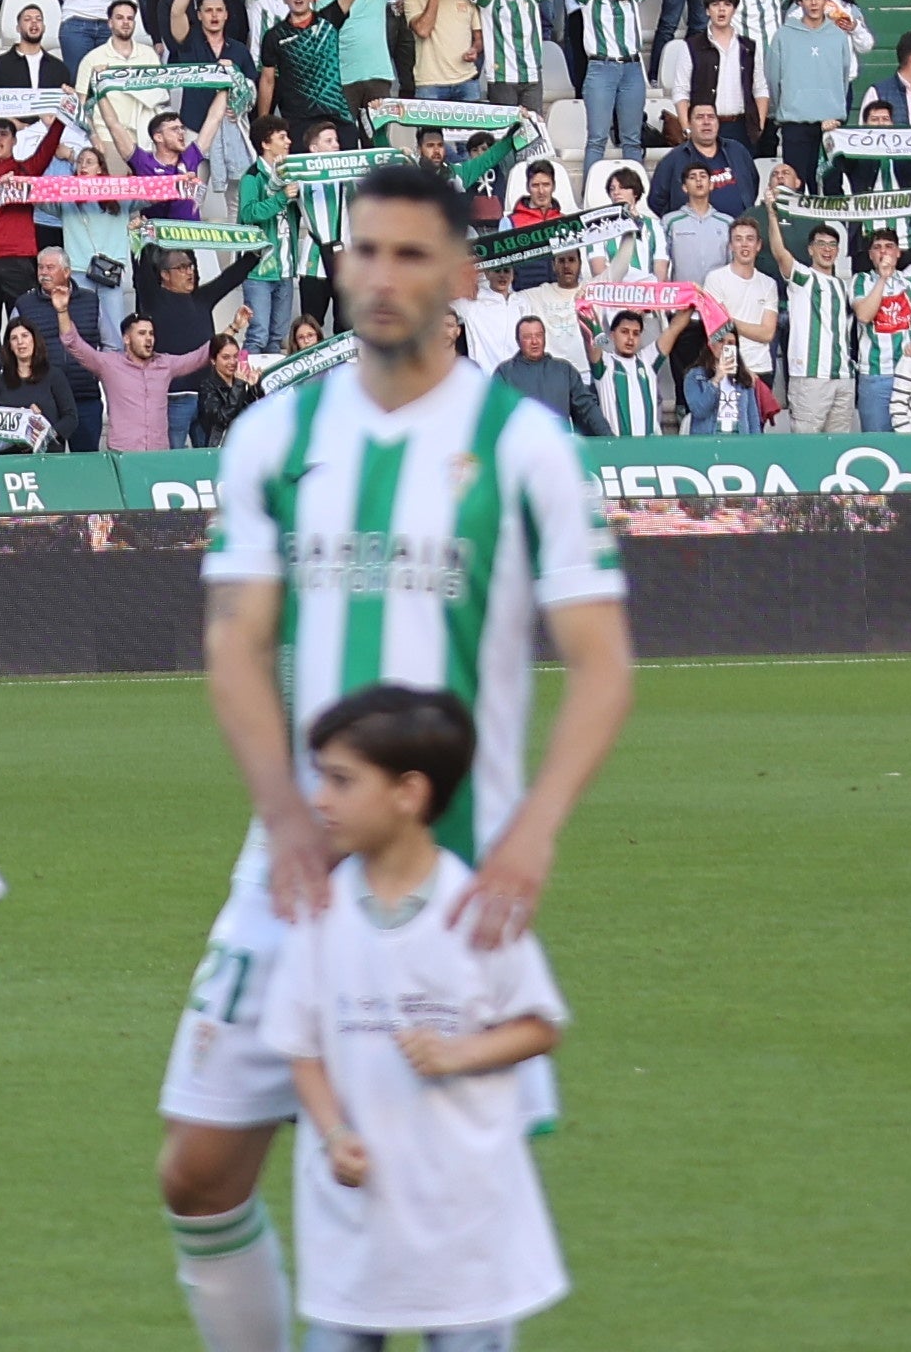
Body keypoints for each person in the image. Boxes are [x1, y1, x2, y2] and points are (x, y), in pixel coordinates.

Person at [161, 160, 629, 1352]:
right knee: (198, 1174)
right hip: (295, 866)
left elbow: (603, 661)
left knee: (448, 1185)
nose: (380, 274)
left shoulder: (521, 446)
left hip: (457, 880)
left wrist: (533, 831)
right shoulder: (277, 432)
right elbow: (236, 645)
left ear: (463, 275)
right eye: (363, 249)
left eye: (411, 253)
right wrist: (279, 815)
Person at [269, 685, 573, 1351]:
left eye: (342, 781)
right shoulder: (319, 912)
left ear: (408, 794)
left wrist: (457, 1055)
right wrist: (332, 1132)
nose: (320, 799)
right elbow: (301, 1045)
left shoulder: (478, 910)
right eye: (320, 777)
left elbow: (539, 1025)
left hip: (463, 1225)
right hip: (353, 1227)